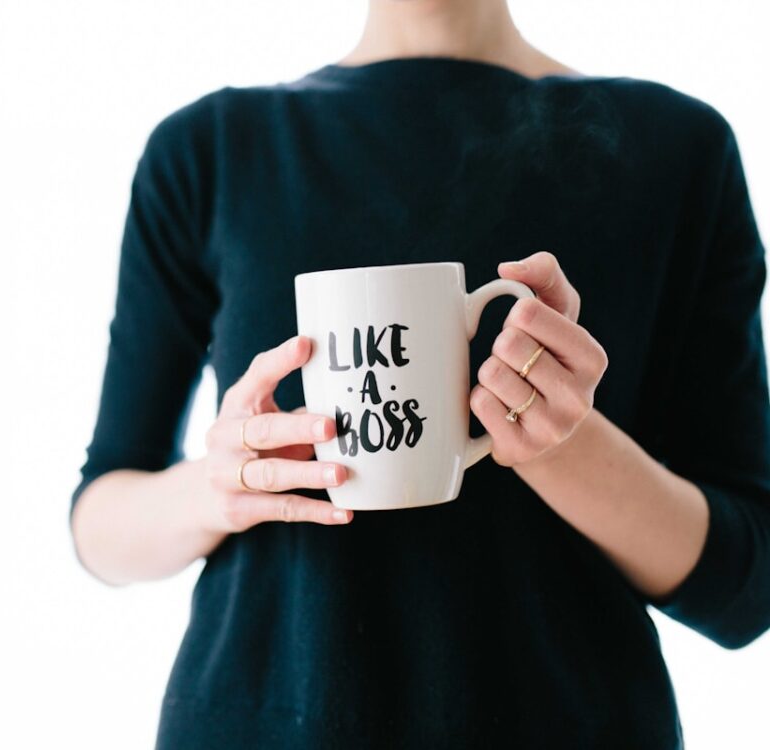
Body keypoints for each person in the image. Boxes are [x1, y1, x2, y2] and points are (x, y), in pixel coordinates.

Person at [69, 0, 770, 747]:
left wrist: (559, 444)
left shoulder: (675, 151)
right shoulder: (208, 152)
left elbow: (745, 588)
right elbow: (100, 523)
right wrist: (222, 483)